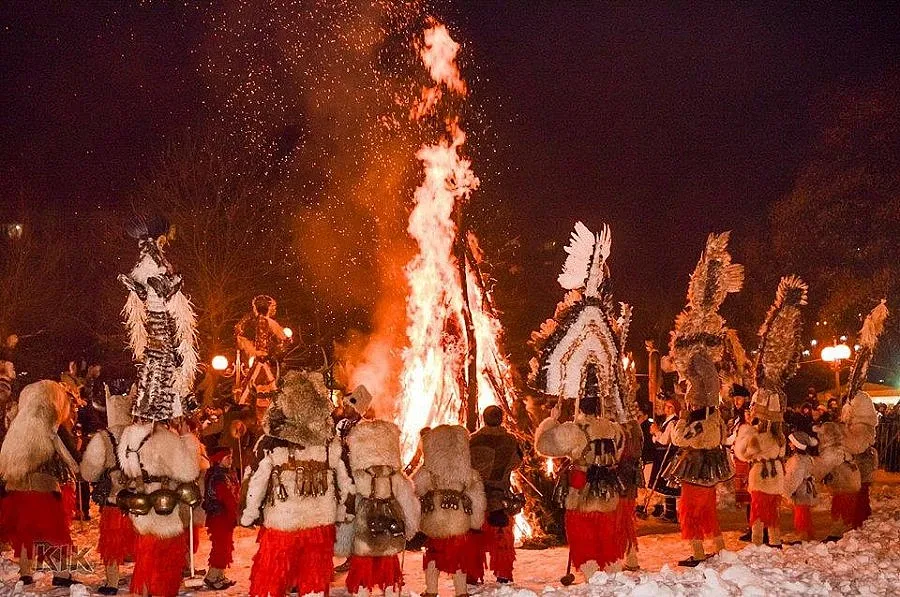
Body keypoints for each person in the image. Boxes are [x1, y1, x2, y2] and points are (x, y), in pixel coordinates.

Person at [240, 370, 353, 597]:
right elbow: (344, 482)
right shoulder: (329, 443)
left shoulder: (270, 442)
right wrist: (342, 511)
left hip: (282, 522)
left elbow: (256, 481)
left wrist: (248, 514)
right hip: (319, 522)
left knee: (273, 579)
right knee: (313, 580)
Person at [0, 381, 81, 587]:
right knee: (53, 532)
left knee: (24, 531)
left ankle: (25, 573)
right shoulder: (53, 427)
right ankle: (61, 574)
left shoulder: (16, 426)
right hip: (43, 489)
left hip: (16, 489)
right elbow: (72, 460)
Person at [117, 420, 203, 597]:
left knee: (146, 557)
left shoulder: (131, 436)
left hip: (143, 507)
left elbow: (128, 470)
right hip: (164, 511)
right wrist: (187, 438)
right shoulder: (167, 439)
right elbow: (189, 472)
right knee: (164, 561)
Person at [342, 420, 420, 597]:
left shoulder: (356, 476)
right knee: (389, 569)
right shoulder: (397, 477)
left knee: (362, 569)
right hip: (390, 531)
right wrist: (410, 527)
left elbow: (348, 507)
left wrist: (344, 539)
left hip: (364, 532)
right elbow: (409, 503)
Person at [413, 425, 486, 597]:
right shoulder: (469, 473)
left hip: (435, 518)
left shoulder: (427, 471)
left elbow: (415, 489)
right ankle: (461, 592)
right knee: (459, 558)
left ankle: (431, 591)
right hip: (459, 520)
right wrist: (475, 522)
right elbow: (477, 498)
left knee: (432, 556)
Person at [80, 387, 136, 595]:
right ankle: (140, 579)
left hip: (113, 501)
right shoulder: (140, 433)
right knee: (138, 540)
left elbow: (89, 472)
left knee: (111, 542)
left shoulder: (103, 438)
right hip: (137, 500)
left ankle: (112, 583)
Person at [468, 405, 523, 584]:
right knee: (502, 537)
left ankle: (473, 574)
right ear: (501, 418)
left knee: (474, 536)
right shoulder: (510, 440)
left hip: (477, 496)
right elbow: (516, 463)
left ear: (484, 419)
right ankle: (503, 574)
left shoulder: (472, 440)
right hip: (501, 497)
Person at [812, 422, 861, 541]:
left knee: (840, 509)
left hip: (844, 484)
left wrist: (812, 477)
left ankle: (837, 534)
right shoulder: (842, 446)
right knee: (845, 508)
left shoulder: (832, 451)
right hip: (851, 482)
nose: (819, 438)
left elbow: (820, 469)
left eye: (821, 435)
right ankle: (845, 532)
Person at [234, 295, 289, 402]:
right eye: (273, 307)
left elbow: (238, 329)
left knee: (252, 385)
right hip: (262, 359)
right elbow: (282, 339)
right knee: (269, 386)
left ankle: (244, 401)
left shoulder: (253, 320)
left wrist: (249, 348)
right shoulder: (266, 321)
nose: (274, 310)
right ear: (267, 308)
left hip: (262, 358)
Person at [202, 446, 240, 589]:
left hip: (225, 517)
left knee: (226, 546)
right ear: (219, 459)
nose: (231, 460)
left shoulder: (226, 473)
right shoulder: (218, 476)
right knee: (220, 546)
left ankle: (220, 575)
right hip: (219, 517)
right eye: (227, 457)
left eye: (231, 457)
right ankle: (212, 576)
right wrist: (234, 514)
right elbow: (227, 498)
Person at [649, 398, 680, 522]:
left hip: (667, 457)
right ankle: (663, 509)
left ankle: (670, 513)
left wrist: (657, 432)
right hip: (661, 455)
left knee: (668, 484)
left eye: (670, 407)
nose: (667, 409)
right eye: (666, 406)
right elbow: (657, 439)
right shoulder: (666, 421)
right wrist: (655, 433)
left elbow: (665, 440)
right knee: (662, 483)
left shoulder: (673, 422)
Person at [783, 431, 818, 541]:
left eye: (791, 442)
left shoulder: (796, 460)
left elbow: (794, 478)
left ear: (797, 444)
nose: (789, 444)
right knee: (805, 512)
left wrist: (786, 491)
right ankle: (807, 534)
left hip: (801, 490)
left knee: (801, 512)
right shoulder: (807, 457)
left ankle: (802, 535)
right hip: (807, 489)